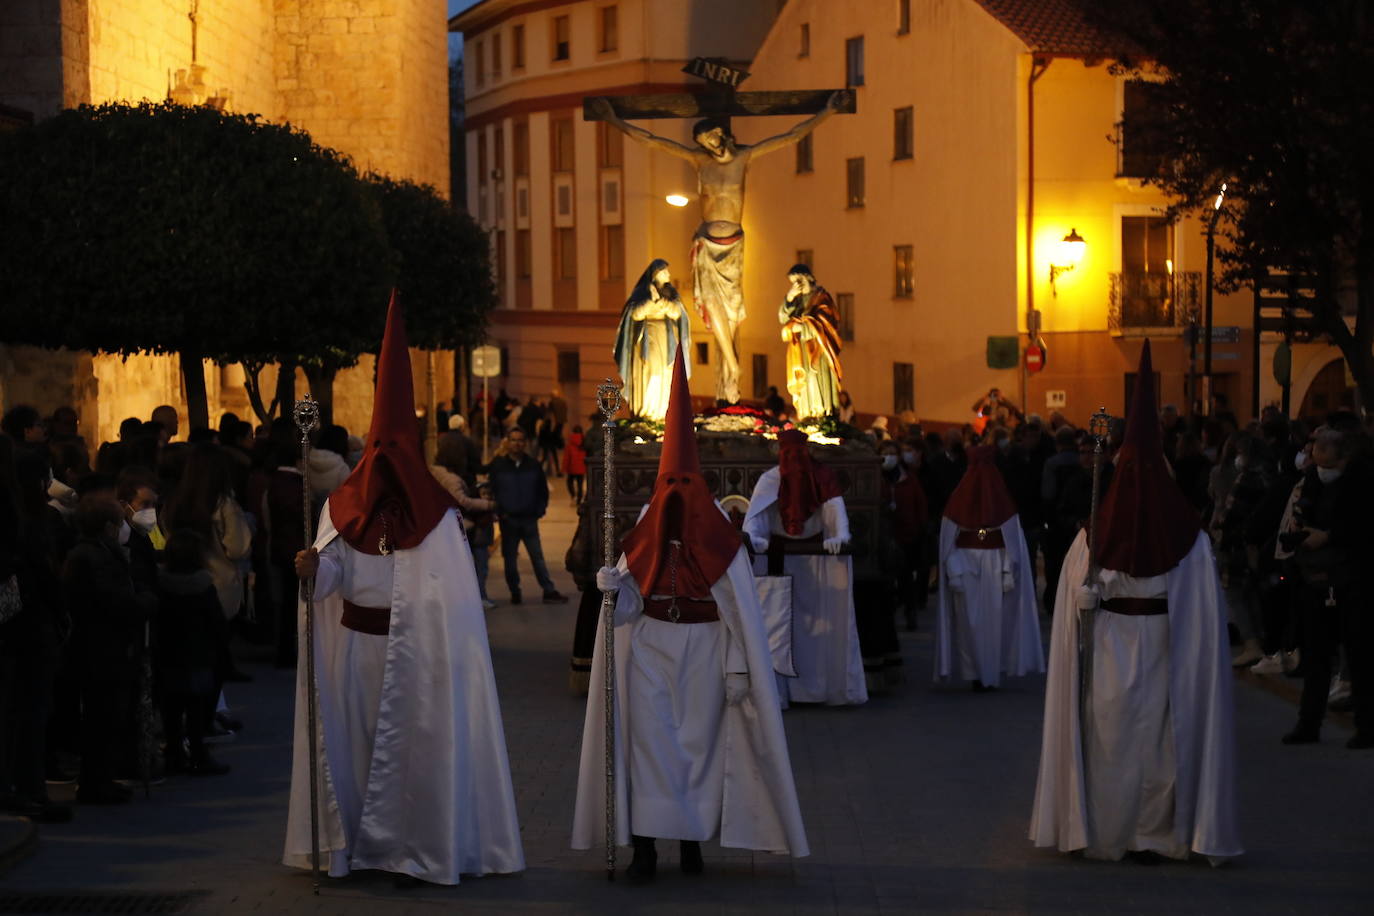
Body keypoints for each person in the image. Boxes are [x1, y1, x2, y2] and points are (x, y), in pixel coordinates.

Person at [285, 294, 524, 885]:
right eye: (380, 454)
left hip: (416, 655)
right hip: (355, 655)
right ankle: (355, 848)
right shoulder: (342, 508)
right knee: (357, 752)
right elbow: (336, 577)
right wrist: (314, 571)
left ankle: (413, 850)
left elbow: (451, 602)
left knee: (414, 756)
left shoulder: (437, 518)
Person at [572, 345, 808, 880]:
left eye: (685, 487)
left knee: (699, 752)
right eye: (669, 487)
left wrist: (737, 669)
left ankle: (692, 843)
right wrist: (614, 590)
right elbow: (628, 611)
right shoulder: (643, 536)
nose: (676, 497)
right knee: (649, 748)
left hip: (704, 652)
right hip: (652, 648)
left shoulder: (720, 544)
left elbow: (735, 617)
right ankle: (647, 848)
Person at [1031, 341, 1242, 864]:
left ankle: (1146, 833)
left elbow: (1201, 613)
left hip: (1134, 647)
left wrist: (1086, 597)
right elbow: (1078, 596)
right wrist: (1084, 597)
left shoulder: (1120, 531)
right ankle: (1123, 832)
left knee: (1137, 742)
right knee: (1133, 743)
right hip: (1138, 646)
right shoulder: (1169, 535)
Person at [594, 92, 847, 403]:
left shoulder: (745, 157)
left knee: (730, 308)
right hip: (706, 242)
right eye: (702, 141)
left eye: (711, 137)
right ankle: (732, 365)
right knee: (712, 304)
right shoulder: (699, 161)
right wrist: (613, 120)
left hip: (734, 244)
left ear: (721, 133)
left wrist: (828, 112)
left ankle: (732, 370)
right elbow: (653, 141)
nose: (709, 145)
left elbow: (791, 135)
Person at [744, 429, 867, 707]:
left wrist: (839, 538)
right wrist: (756, 539)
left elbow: (837, 517)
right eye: (788, 454)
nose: (794, 461)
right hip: (779, 564)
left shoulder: (822, 478)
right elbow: (755, 520)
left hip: (817, 564)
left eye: (799, 454)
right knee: (779, 628)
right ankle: (781, 692)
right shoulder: (771, 480)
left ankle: (819, 689)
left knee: (817, 631)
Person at [1278, 426, 1373, 748]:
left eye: (1324, 455)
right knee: (1317, 654)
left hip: (1352, 577)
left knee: (1358, 654)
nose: (1317, 459)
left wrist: (1329, 536)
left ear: (1343, 455)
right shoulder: (1315, 480)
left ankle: (1367, 725)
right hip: (1316, 577)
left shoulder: (1362, 482)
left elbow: (1361, 526)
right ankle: (1309, 723)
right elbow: (1305, 507)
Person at [61, 495, 157, 804]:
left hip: (99, 645)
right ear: (106, 527)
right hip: (101, 647)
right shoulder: (95, 557)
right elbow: (113, 601)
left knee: (104, 716)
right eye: (118, 523)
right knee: (103, 716)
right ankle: (96, 782)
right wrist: (145, 602)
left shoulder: (90, 554)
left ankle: (99, 778)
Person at [933, 446, 1043, 690]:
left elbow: (1012, 540)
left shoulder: (998, 499)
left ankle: (989, 672)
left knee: (991, 619)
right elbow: (949, 540)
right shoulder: (967, 499)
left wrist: (1007, 569)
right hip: (968, 562)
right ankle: (976, 672)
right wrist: (955, 570)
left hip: (991, 562)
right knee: (971, 621)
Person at [155, 530, 230, 776]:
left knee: (171, 709)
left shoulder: (160, 584)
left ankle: (174, 753)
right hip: (198, 653)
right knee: (197, 708)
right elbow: (217, 623)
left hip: (168, 653)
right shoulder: (203, 586)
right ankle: (198, 753)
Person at [488, 428, 568, 605]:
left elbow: (542, 491)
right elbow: (492, 491)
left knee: (537, 557)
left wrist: (539, 510)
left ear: (525, 443)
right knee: (509, 560)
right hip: (508, 520)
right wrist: (500, 512)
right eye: (514, 440)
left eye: (520, 440)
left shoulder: (533, 465)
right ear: (508, 442)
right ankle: (515, 592)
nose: (517, 444)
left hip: (529, 520)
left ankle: (548, 590)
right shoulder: (498, 465)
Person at [614, 259, 691, 422]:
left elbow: (678, 312)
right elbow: (634, 313)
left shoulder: (670, 293)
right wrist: (651, 304)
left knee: (666, 373)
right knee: (651, 373)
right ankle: (648, 410)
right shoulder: (641, 292)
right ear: (656, 275)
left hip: (667, 338)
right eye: (664, 272)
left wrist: (662, 303)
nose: (668, 274)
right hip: (648, 340)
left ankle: (663, 411)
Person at [431, 432, 498, 609]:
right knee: (478, 564)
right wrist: (489, 505)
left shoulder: (436, 471)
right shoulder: (451, 477)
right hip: (464, 525)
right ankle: (478, 597)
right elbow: (463, 501)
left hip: (449, 526)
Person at [779, 264, 843, 421]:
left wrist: (804, 326)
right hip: (800, 351)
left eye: (799, 280)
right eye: (793, 282)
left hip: (818, 349)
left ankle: (822, 414)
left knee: (816, 379)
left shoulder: (821, 297)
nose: (797, 285)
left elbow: (826, 321)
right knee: (805, 383)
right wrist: (789, 298)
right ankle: (807, 415)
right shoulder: (797, 301)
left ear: (808, 278)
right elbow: (783, 318)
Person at [563, 424, 587, 505]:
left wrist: (564, 468)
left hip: (572, 468)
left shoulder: (570, 443)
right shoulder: (584, 441)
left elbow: (566, 457)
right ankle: (579, 500)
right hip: (582, 467)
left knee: (569, 482)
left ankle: (573, 495)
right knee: (580, 484)